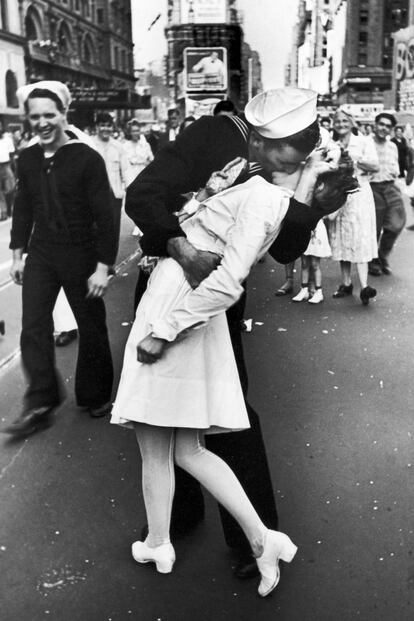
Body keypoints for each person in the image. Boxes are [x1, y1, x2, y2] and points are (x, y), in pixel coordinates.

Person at [125, 87, 348, 578]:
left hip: (217, 298)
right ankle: (171, 524)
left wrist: (311, 203)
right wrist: (182, 249)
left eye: (310, 139)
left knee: (226, 412)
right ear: (264, 137)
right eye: (297, 141)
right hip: (173, 275)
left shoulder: (303, 160)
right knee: (165, 414)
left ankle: (252, 538)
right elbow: (141, 195)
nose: (304, 149)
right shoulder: (211, 134)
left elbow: (286, 250)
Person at [2, 81, 117, 438]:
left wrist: (102, 266)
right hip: (42, 252)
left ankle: (95, 395)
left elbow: (107, 215)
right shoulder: (29, 157)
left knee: (91, 325)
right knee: (33, 326)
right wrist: (17, 254)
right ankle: (41, 399)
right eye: (34, 116)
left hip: (81, 251)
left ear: (64, 114)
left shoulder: (86, 157)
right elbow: (23, 208)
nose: (42, 122)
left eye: (49, 114)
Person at [328, 108, 379, 305]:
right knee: (342, 235)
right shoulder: (331, 144)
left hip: (359, 193)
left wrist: (353, 158)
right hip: (340, 193)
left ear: (352, 122)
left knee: (360, 235)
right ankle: (346, 283)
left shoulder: (364, 141)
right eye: (337, 121)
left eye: (344, 121)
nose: (341, 124)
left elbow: (375, 166)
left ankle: (365, 286)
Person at [368, 113, 407, 276]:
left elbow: (396, 168)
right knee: (374, 227)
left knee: (397, 223)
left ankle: (382, 255)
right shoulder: (366, 143)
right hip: (373, 188)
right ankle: (373, 260)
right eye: (381, 124)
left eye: (388, 126)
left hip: (390, 187)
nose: (384, 128)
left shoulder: (392, 146)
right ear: (375, 125)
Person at [93, 112, 128, 261]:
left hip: (114, 195)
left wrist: (130, 190)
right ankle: (96, 261)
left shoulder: (118, 147)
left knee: (113, 229)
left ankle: (109, 262)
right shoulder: (89, 144)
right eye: (102, 125)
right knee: (95, 229)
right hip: (93, 194)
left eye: (108, 125)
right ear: (97, 127)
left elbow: (126, 171)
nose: (105, 128)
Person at [291, 219, 331, 304]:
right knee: (304, 263)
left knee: (315, 264)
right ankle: (304, 289)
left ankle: (318, 291)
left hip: (317, 228)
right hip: (305, 227)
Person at [123, 119, 154, 187]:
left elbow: (152, 160)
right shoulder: (125, 146)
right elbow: (124, 164)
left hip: (144, 174)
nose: (136, 133)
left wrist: (146, 163)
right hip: (130, 175)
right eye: (133, 131)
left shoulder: (145, 145)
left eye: (137, 131)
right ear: (130, 132)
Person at [0, 120, 16, 219]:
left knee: (11, 188)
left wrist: (14, 168)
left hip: (6, 166)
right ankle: (4, 212)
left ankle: (9, 209)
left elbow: (12, 155)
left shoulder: (7, 139)